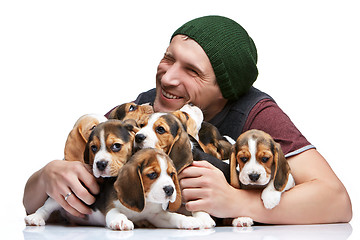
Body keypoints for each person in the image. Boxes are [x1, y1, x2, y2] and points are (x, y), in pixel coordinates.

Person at [23, 15, 352, 224]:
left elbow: (336, 200)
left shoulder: (255, 113)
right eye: (169, 58)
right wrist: (46, 177)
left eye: (192, 71)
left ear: (226, 91)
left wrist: (240, 202)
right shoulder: (141, 112)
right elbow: (32, 203)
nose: (168, 78)